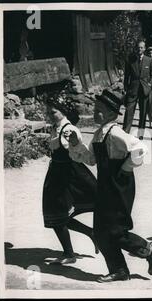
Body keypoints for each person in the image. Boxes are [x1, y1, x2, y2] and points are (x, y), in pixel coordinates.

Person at [69, 89, 152, 282]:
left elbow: (140, 148)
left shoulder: (116, 132)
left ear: (111, 114)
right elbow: (92, 159)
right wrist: (77, 145)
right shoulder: (99, 134)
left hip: (119, 185)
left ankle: (147, 249)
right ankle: (119, 270)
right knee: (101, 231)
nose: (96, 113)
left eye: (100, 110)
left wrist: (127, 168)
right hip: (105, 185)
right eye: (95, 109)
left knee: (115, 229)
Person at [43, 95, 98, 265]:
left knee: (56, 213)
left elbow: (76, 145)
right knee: (55, 214)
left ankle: (69, 253)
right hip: (56, 173)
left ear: (63, 111)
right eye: (48, 112)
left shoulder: (68, 129)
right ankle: (90, 234)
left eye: (53, 112)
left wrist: (73, 139)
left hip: (67, 175)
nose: (50, 115)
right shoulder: (56, 127)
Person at [123, 41, 152, 138]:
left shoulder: (149, 60)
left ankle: (140, 134)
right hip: (132, 89)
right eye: (138, 48)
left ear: (144, 49)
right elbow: (127, 75)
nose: (139, 50)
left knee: (143, 112)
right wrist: (126, 88)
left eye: (141, 48)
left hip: (144, 89)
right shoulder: (130, 59)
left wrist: (149, 85)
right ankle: (125, 132)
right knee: (129, 110)